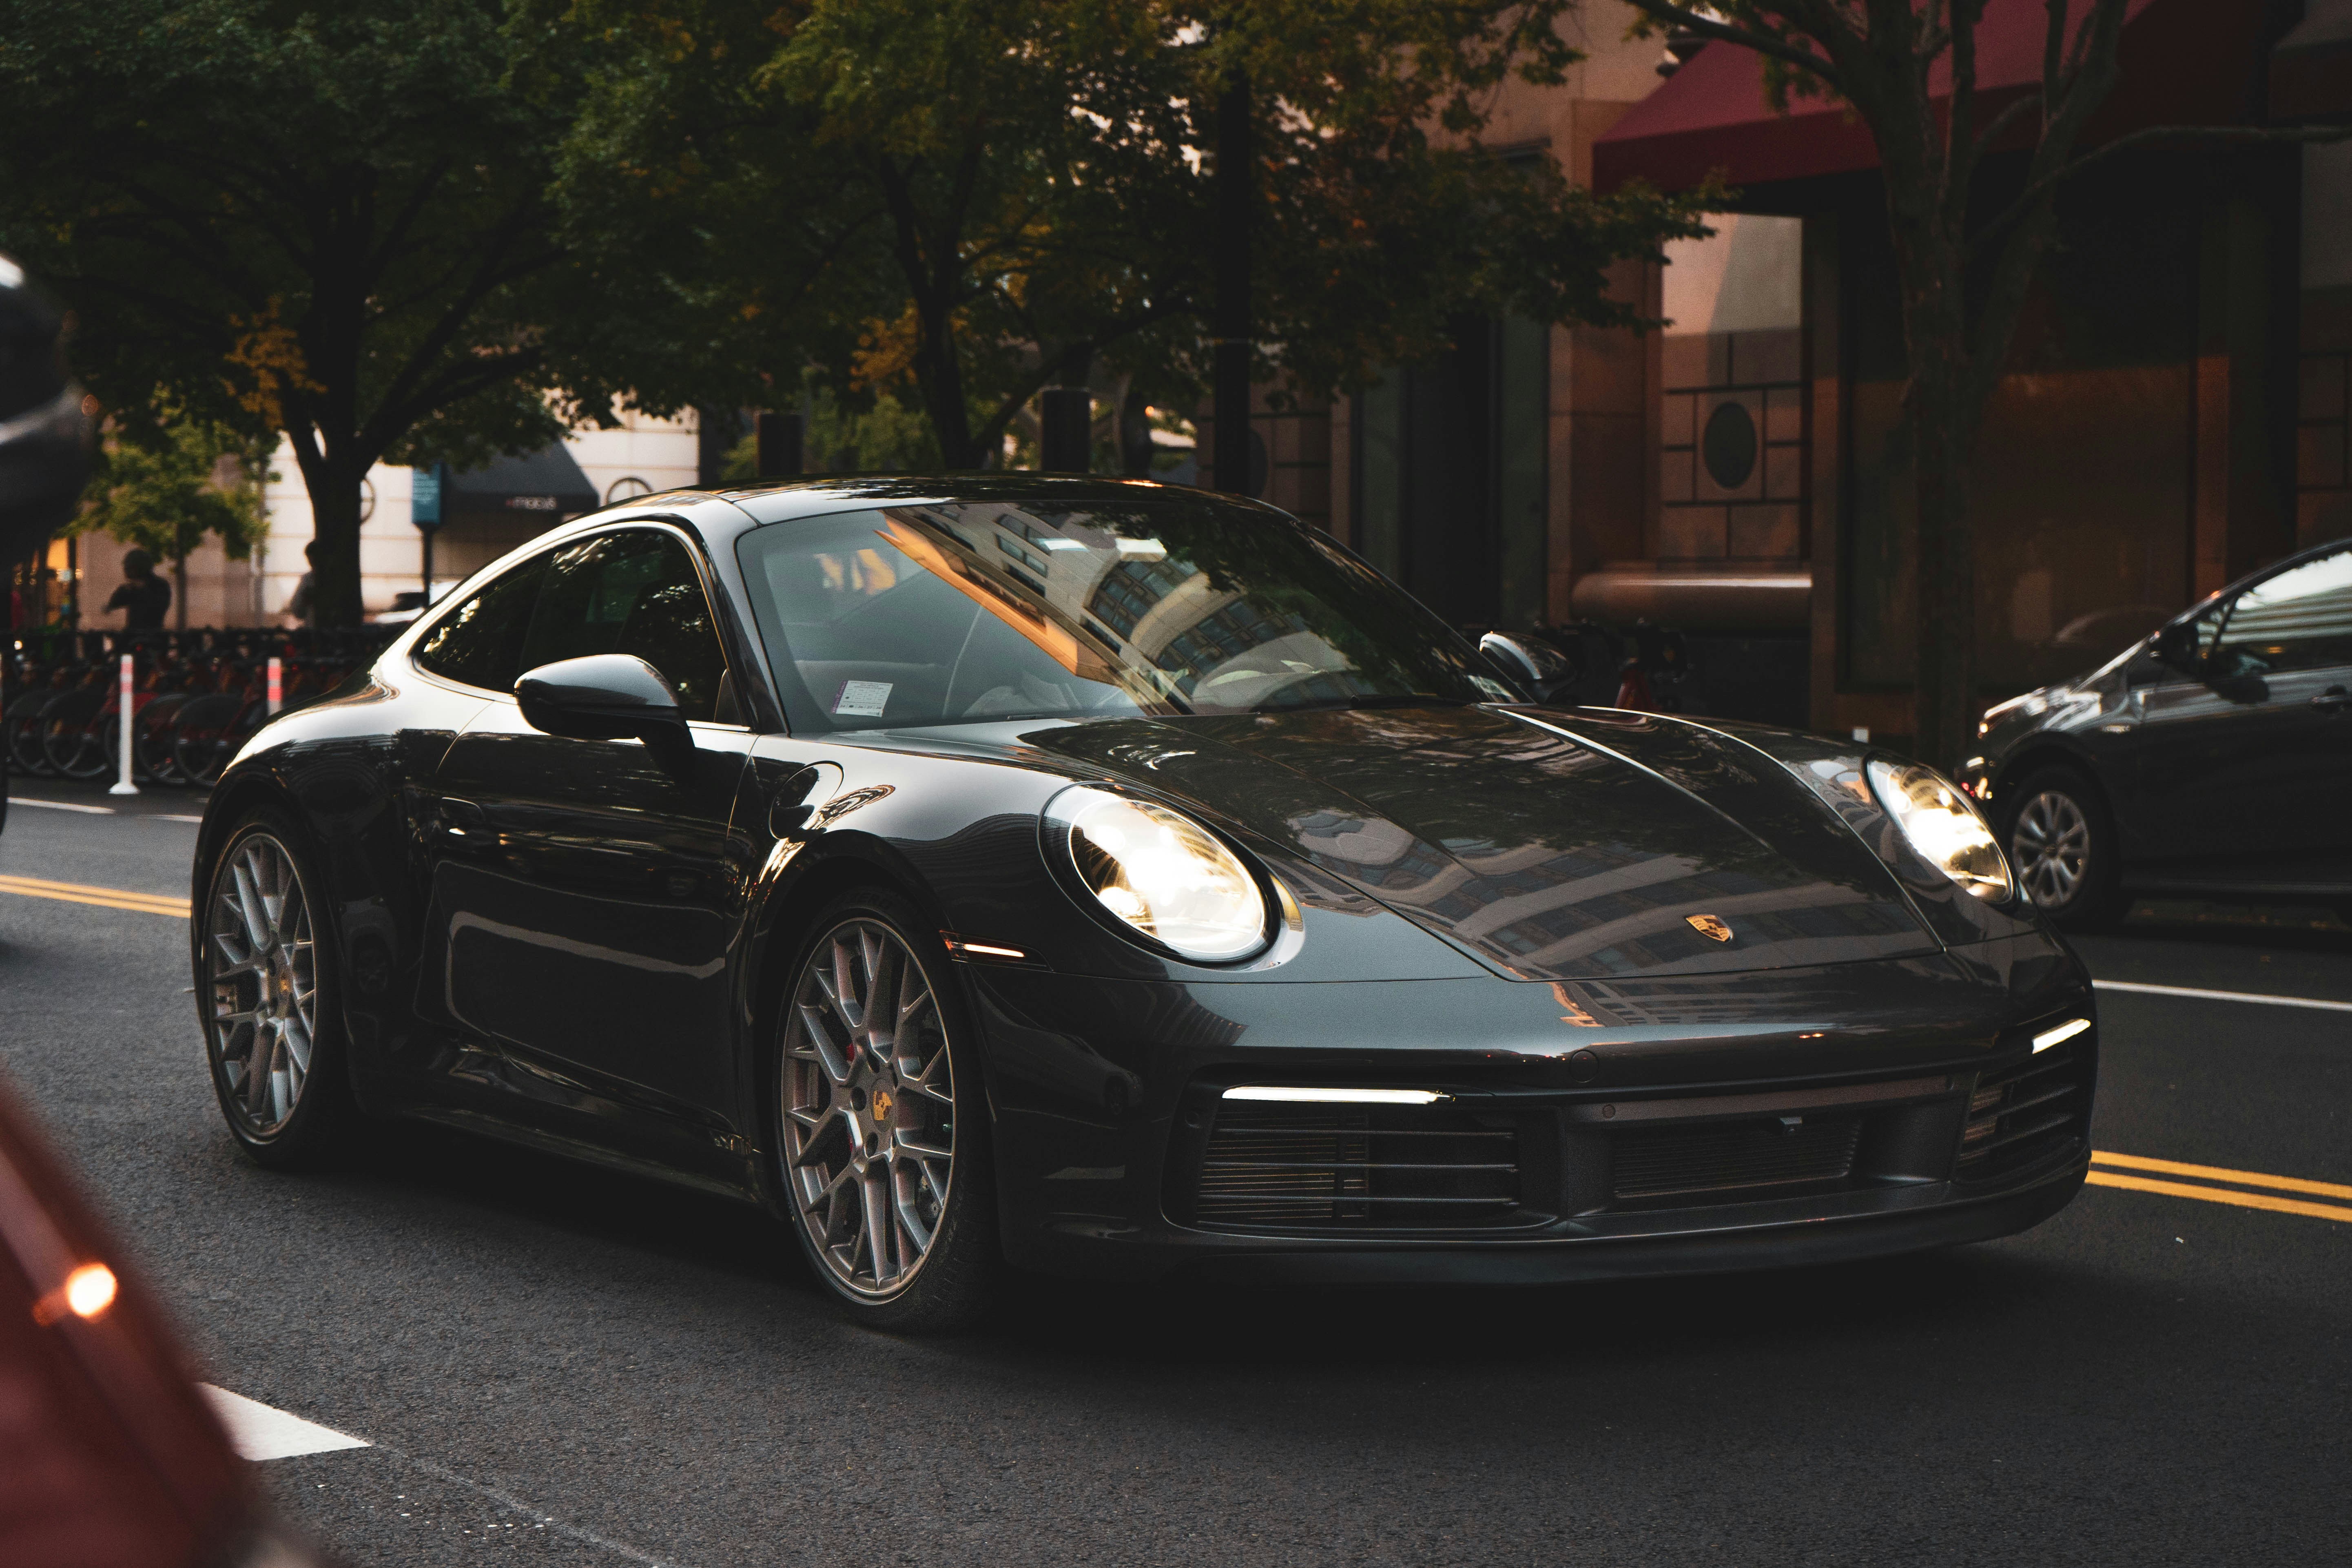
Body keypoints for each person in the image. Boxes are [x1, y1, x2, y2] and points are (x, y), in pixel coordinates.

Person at [104, 547, 171, 630]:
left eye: (131, 568)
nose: (127, 571)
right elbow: (116, 602)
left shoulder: (160, 585)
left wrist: (142, 589)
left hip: (154, 633)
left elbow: (159, 606)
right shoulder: (131, 587)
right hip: (133, 632)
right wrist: (124, 591)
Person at [286, 539, 321, 626]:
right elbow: (296, 610)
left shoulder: (334, 579)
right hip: (311, 628)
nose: (312, 563)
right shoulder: (307, 579)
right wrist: (304, 600)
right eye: (310, 560)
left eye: (315, 560)